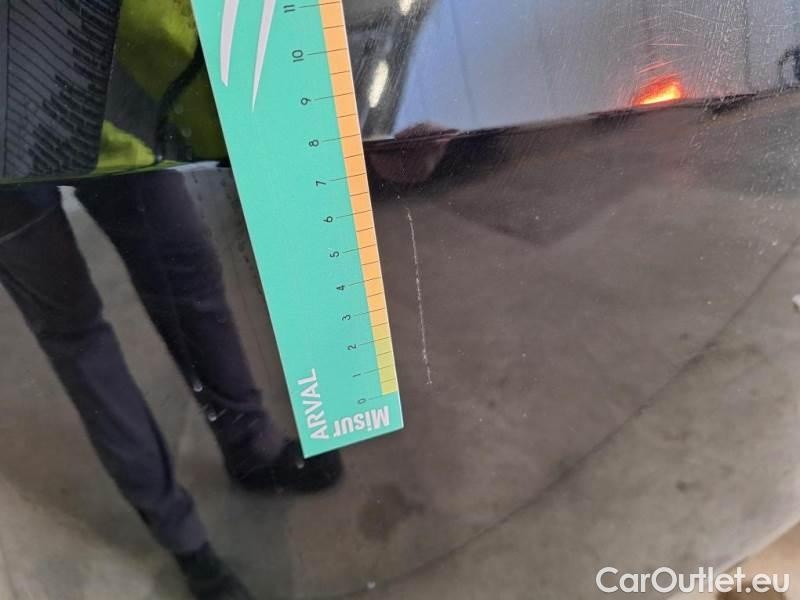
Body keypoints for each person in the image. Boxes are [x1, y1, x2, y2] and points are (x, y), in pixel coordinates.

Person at [0, 174, 343, 600]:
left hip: (117, 136)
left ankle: (251, 448)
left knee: (185, 268)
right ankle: (184, 540)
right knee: (75, 334)